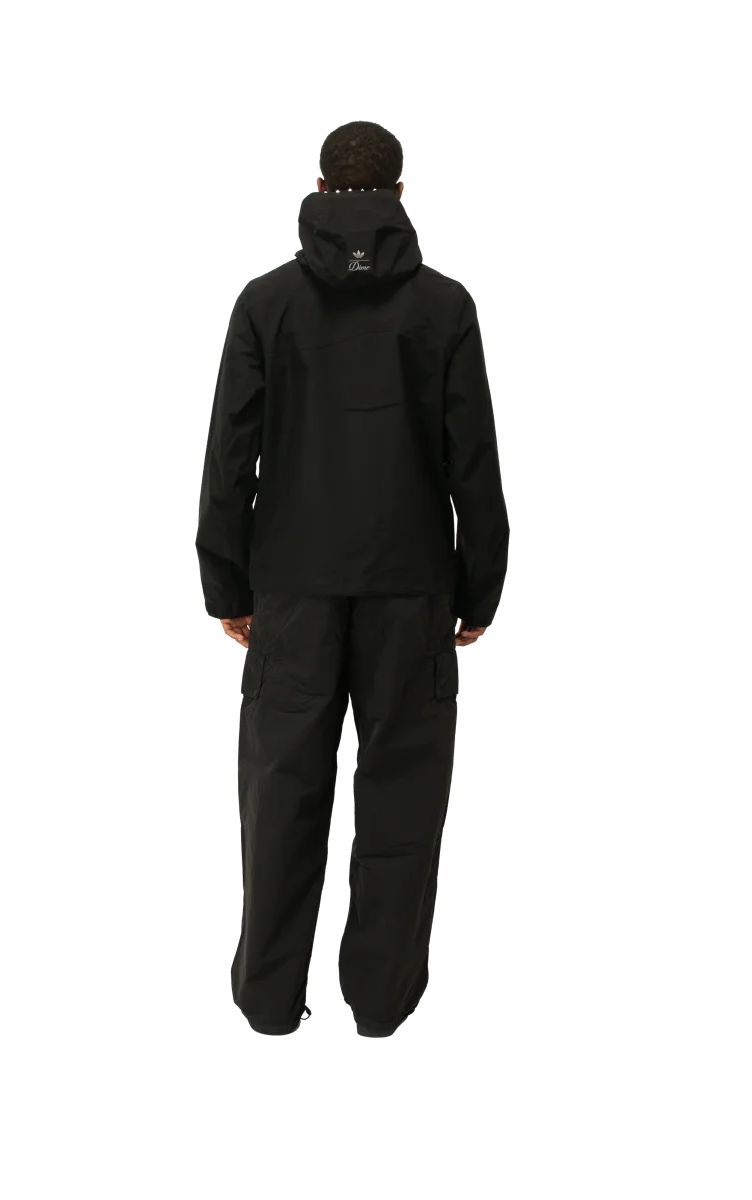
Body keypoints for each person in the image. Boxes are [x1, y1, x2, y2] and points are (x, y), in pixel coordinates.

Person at [196, 121, 509, 1039]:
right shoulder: (443, 307)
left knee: (280, 791)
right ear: (399, 191)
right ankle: (380, 1005)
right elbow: (472, 460)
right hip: (411, 588)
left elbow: (230, 458)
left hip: (290, 588)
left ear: (321, 184)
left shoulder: (266, 303)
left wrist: (227, 589)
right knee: (403, 792)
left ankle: (267, 1002)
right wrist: (478, 590)